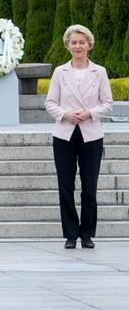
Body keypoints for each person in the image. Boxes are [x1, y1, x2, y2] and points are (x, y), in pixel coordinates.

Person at [45, 24, 113, 249]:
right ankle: (70, 234)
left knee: (89, 186)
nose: (77, 46)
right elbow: (50, 102)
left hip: (91, 134)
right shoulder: (59, 72)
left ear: (89, 45)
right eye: (73, 42)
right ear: (67, 45)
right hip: (64, 134)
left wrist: (90, 113)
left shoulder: (99, 71)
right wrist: (65, 114)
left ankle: (87, 233)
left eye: (81, 42)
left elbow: (107, 103)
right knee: (65, 185)